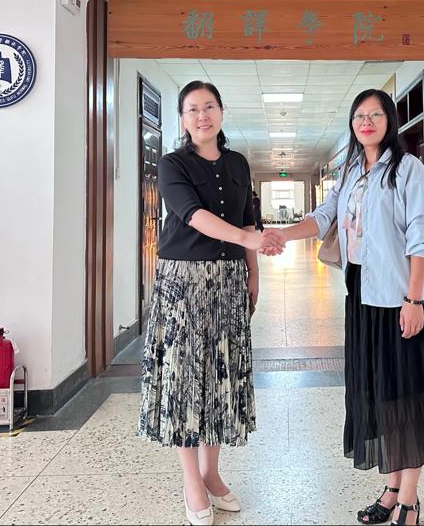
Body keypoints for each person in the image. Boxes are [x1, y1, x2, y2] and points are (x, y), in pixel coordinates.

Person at [263, 89, 424, 526]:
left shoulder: (408, 170)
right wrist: (279, 235)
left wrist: (415, 299)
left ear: (390, 121)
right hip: (362, 298)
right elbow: (323, 217)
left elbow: (422, 236)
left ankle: (409, 499)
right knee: (380, 393)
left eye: (375, 114)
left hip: (399, 299)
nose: (366, 122)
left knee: (407, 395)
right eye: (359, 116)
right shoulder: (351, 170)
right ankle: (391, 487)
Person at [137, 80, 284, 526]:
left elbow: (247, 217)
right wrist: (248, 240)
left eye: (209, 107)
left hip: (229, 281)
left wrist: (253, 271)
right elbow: (193, 215)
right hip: (183, 284)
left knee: (220, 375)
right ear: (182, 119)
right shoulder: (172, 164)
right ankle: (191, 481)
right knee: (185, 379)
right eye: (192, 109)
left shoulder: (238, 163)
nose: (202, 116)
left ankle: (211, 473)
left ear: (221, 112)